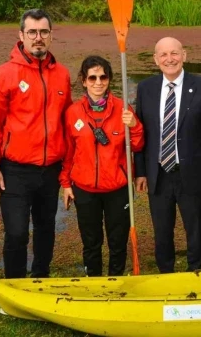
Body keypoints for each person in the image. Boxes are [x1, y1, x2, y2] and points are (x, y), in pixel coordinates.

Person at [0, 9, 72, 278]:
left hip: (50, 170)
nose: (38, 38)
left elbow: (66, 123)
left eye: (43, 32)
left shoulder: (62, 75)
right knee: (17, 232)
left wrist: (68, 169)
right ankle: (15, 284)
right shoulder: (4, 74)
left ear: (51, 36)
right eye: (32, 32)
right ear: (21, 35)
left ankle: (40, 278)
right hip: (15, 170)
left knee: (46, 228)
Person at [134, 37, 201, 273]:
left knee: (195, 228)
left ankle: (195, 270)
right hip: (159, 173)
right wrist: (140, 171)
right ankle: (166, 272)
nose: (169, 59)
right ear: (155, 60)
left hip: (192, 173)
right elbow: (140, 134)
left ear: (184, 55)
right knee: (161, 230)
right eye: (163, 55)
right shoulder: (146, 88)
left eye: (174, 53)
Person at [60, 55, 144, 276]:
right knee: (91, 241)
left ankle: (116, 280)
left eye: (103, 77)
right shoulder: (72, 113)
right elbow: (68, 152)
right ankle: (93, 280)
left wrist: (134, 125)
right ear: (84, 80)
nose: (98, 82)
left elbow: (137, 145)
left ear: (110, 79)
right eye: (93, 77)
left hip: (117, 189)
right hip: (85, 189)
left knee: (117, 241)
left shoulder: (123, 109)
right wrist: (66, 184)